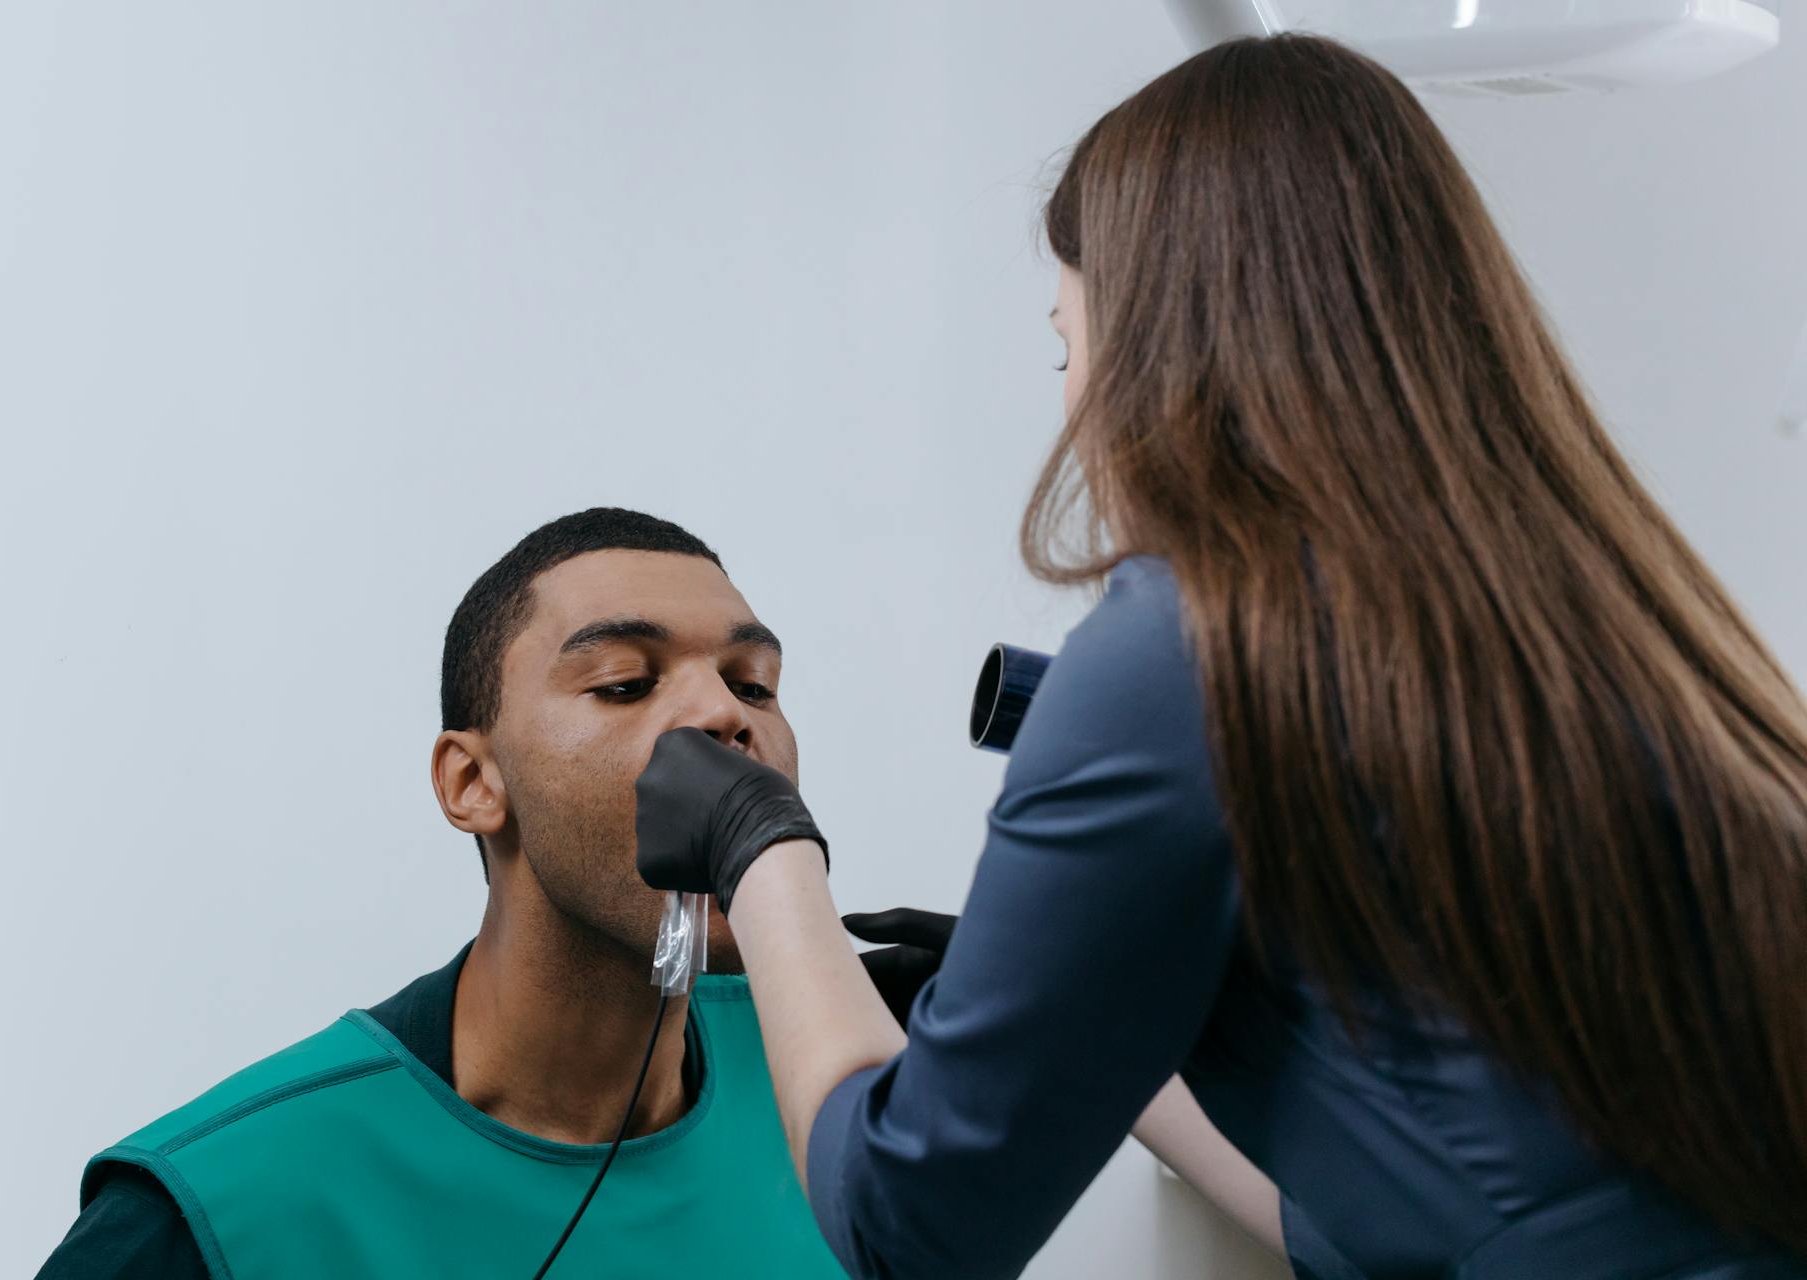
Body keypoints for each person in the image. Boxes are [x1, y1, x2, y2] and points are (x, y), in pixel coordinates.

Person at [633, 35, 1807, 1280]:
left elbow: (908, 1224)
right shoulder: (1605, 623)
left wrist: (762, 852)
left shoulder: (1178, 649)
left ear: (1161, 342)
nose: (1072, 401)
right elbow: (1430, 1200)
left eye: (1066, 343)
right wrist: (1105, 1033)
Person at [37, 509, 860, 1278]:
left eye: (753, 685)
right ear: (472, 782)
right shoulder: (212, 1216)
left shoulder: (853, 1115)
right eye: (623, 683)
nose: (724, 713)